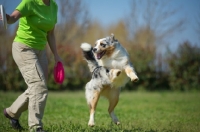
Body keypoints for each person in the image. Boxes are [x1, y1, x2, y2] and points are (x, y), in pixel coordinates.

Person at [1, 0, 62, 131]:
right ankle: (35, 127)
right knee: (38, 86)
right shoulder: (29, 2)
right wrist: (5, 17)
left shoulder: (54, 6)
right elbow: (12, 18)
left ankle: (12, 112)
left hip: (40, 50)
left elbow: (50, 33)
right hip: (24, 48)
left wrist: (56, 55)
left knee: (39, 87)